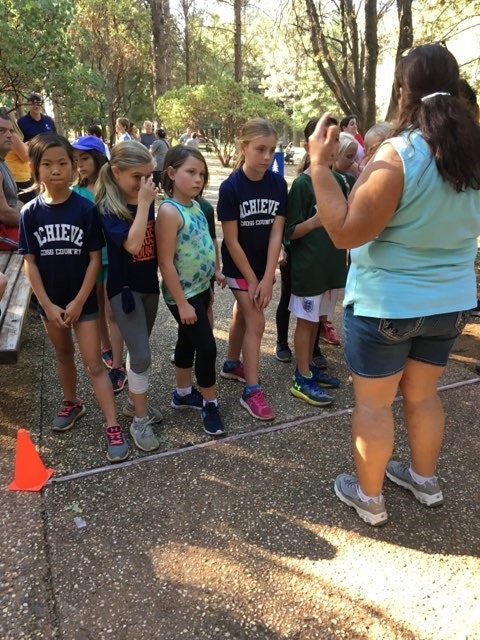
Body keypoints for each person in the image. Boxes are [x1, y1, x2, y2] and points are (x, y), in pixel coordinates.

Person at [308, 43, 480, 526]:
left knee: (374, 404)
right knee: (424, 395)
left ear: (404, 91)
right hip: (449, 303)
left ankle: (370, 497)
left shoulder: (401, 155)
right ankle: (424, 481)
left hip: (386, 303)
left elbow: (345, 231)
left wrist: (319, 166)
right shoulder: (473, 150)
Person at [18, 133, 128, 463]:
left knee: (95, 363)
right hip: (49, 304)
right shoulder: (30, 213)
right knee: (63, 354)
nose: (56, 170)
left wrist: (80, 301)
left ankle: (112, 425)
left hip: (84, 304)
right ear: (34, 168)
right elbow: (30, 263)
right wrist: (48, 305)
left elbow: (95, 258)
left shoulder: (85, 209)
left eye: (63, 163)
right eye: (47, 164)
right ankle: (72, 402)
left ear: (73, 166)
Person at [217, 118, 287, 421]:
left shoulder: (278, 183)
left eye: (271, 150)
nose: (267, 157)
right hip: (238, 267)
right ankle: (252, 391)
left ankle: (232, 363)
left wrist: (269, 277)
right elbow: (231, 241)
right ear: (243, 147)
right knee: (256, 322)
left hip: (263, 267)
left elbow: (276, 234)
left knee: (242, 314)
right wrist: (253, 279)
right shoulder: (230, 187)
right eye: (260, 149)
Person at [95, 141, 162, 452]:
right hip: (125, 292)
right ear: (116, 172)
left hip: (149, 287)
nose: (144, 183)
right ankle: (139, 419)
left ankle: (134, 404)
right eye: (137, 177)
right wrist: (147, 204)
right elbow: (133, 246)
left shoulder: (142, 198)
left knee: (140, 355)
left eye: (149, 176)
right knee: (142, 355)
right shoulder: (109, 209)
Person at [156, 145, 225, 436]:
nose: (198, 179)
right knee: (207, 348)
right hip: (183, 294)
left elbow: (204, 243)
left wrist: (216, 271)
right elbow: (166, 263)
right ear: (171, 173)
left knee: (187, 340)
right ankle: (210, 403)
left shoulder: (195, 206)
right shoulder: (169, 212)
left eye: (201, 174)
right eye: (191, 172)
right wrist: (182, 304)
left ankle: (183, 393)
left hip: (200, 287)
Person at [286, 117, 346, 407]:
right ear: (311, 143)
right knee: (306, 322)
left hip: (329, 269)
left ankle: (309, 368)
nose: (332, 145)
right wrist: (313, 222)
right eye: (325, 138)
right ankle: (302, 376)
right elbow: (290, 232)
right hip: (309, 270)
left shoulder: (340, 181)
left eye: (335, 138)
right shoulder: (302, 184)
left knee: (318, 321)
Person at [71, 135, 127, 394]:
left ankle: (118, 365)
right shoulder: (75, 192)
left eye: (85, 158)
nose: (80, 165)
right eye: (76, 160)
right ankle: (106, 349)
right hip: (88, 261)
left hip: (113, 257)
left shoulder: (112, 188)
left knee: (112, 311)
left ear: (97, 158)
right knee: (98, 307)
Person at [314, 131, 358, 347]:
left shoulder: (351, 179)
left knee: (331, 290)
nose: (352, 162)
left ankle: (325, 323)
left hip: (337, 250)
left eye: (354, 156)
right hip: (320, 247)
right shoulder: (317, 180)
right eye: (348, 157)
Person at [0, 108, 22, 251]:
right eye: (1, 131)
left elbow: (14, 201)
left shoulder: (3, 163)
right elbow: (3, 213)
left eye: (10, 130)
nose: (9, 135)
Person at [4, 113, 35, 205]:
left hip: (14, 177)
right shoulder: (12, 136)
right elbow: (26, 157)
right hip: (21, 180)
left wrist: (24, 146)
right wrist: (30, 148)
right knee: (30, 209)